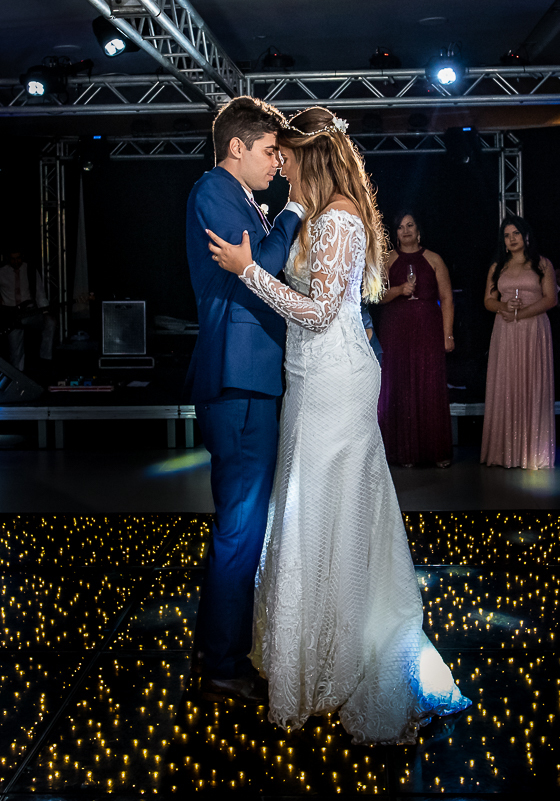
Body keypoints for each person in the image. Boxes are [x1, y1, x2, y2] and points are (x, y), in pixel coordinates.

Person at [205, 106, 470, 743]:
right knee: (308, 515)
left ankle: (347, 661)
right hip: (307, 382)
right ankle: (314, 653)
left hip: (336, 382)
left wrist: (248, 273)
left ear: (311, 160)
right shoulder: (319, 218)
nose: (280, 172)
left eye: (287, 161)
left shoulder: (343, 218)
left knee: (332, 515)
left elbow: (321, 311)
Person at [184, 96, 306, 702]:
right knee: (239, 527)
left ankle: (219, 646)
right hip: (237, 380)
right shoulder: (213, 191)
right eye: (267, 151)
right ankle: (222, 665)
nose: (276, 163)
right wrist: (294, 212)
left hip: (252, 379)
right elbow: (265, 267)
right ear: (237, 146)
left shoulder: (237, 197)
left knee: (245, 524)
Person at [375, 211, 454, 468]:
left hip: (428, 329)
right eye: (400, 227)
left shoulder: (434, 259)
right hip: (396, 330)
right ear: (395, 234)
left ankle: (436, 451)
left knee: (429, 384)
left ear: (418, 230)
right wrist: (399, 290)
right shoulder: (388, 260)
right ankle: (402, 452)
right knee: (399, 386)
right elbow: (377, 296)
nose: (405, 230)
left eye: (410, 225)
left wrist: (448, 334)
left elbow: (448, 299)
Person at [481, 215, 558, 469]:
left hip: (533, 329)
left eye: (515, 234)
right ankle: (505, 452)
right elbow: (488, 301)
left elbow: (550, 299)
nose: (511, 239)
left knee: (532, 383)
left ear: (526, 236)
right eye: (507, 235)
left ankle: (533, 452)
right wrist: (505, 307)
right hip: (505, 331)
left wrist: (520, 314)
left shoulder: (543, 264)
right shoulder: (498, 267)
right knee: (507, 384)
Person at [0, 251, 54, 371]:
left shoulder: (30, 270)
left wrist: (45, 311)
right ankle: (18, 377)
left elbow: (40, 293)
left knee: (49, 322)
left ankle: (45, 360)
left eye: (18, 258)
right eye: (13, 259)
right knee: (15, 353)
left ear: (22, 257)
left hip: (29, 311)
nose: (16, 262)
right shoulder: (2, 272)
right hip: (10, 315)